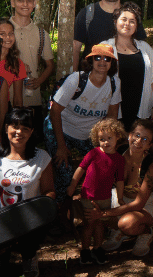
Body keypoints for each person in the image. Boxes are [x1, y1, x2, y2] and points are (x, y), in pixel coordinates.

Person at [44, 44, 121, 204]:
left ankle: (94, 207)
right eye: (97, 57)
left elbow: (112, 116)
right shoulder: (76, 80)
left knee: (103, 168)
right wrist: (61, 146)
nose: (102, 61)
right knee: (64, 172)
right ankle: (60, 212)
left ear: (112, 64)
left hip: (89, 134)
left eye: (107, 58)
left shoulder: (114, 83)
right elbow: (55, 111)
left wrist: (110, 146)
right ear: (90, 60)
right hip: (60, 128)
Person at [0, 107, 55, 277]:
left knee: (31, 234)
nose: (19, 132)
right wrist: (1, 226)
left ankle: (29, 255)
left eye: (25, 128)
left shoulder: (41, 158)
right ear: (6, 128)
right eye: (15, 127)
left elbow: (49, 191)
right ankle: (3, 253)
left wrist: (43, 211)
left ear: (32, 132)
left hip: (30, 222)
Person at [99, 120, 153, 258]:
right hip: (118, 199)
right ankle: (119, 232)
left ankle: (145, 232)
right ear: (129, 135)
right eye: (137, 135)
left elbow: (139, 204)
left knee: (127, 223)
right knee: (89, 206)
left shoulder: (151, 165)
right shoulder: (115, 152)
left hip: (145, 205)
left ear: (150, 145)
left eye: (145, 139)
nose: (138, 141)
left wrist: (107, 213)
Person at [65, 118, 127, 266]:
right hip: (88, 196)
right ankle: (85, 250)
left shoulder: (119, 159)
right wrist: (72, 186)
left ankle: (98, 249)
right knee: (89, 224)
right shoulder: (93, 153)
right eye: (101, 139)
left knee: (100, 225)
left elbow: (119, 180)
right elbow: (80, 169)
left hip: (105, 197)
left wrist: (120, 197)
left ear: (117, 137)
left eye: (109, 138)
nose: (105, 142)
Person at [72, 0, 146, 71]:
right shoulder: (87, 14)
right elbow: (75, 48)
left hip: (124, 77)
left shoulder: (131, 16)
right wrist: (75, 78)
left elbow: (141, 47)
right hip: (92, 79)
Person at [102, 2, 153, 130]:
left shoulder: (146, 49)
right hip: (112, 110)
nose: (127, 24)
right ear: (116, 22)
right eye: (123, 19)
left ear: (136, 26)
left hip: (140, 107)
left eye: (132, 21)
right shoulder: (105, 47)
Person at [9, 0, 55, 139]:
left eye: (29, 1)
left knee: (29, 142)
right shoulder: (4, 30)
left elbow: (50, 64)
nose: (25, 4)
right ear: (13, 3)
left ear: (34, 3)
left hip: (31, 97)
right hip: (4, 96)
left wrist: (39, 81)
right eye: (20, 0)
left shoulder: (42, 34)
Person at [0, 19, 26, 108]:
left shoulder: (17, 63)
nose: (8, 37)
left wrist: (17, 120)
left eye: (11, 33)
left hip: (3, 108)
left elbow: (18, 98)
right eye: (2, 34)